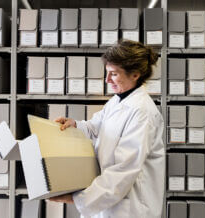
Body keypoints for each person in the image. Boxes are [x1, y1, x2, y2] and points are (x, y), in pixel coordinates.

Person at [50, 40, 165, 218]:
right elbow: (96, 128)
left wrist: (78, 198)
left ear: (135, 74)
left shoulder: (142, 112)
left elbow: (124, 170)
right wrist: (76, 125)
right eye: (107, 73)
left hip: (130, 208)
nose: (107, 80)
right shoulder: (118, 100)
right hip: (109, 200)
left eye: (113, 74)